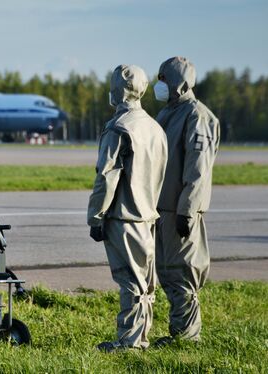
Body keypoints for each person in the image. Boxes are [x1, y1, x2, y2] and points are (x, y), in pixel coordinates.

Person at [88, 64, 168, 352]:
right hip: (148, 215)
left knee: (131, 283)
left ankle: (130, 342)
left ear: (117, 90)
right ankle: (141, 336)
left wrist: (96, 216)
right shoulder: (156, 128)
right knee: (146, 284)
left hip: (124, 215)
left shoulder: (119, 127)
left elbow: (106, 176)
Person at [153, 57, 220, 346]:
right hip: (162, 209)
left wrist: (187, 210)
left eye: (164, 80)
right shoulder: (169, 113)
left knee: (182, 272)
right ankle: (179, 333)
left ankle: (188, 338)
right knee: (167, 272)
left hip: (180, 210)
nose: (159, 86)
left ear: (178, 83)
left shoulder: (197, 116)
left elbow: (198, 169)